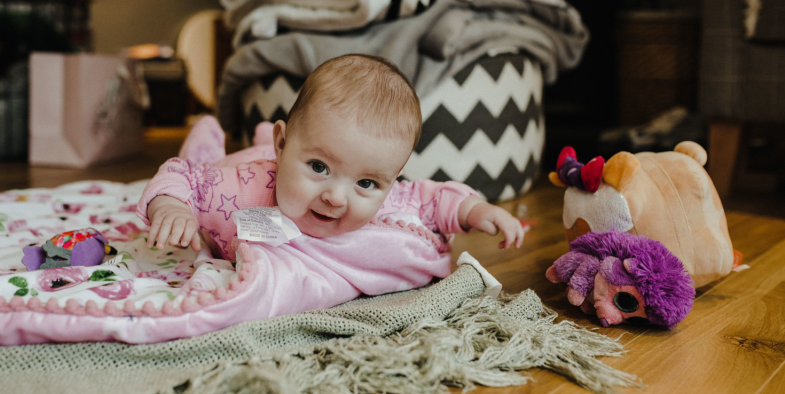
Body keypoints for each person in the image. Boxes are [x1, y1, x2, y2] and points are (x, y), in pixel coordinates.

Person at [136, 54, 524, 261]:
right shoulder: (241, 191)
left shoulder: (390, 197)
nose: (336, 197)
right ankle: (211, 140)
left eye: (366, 183)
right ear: (283, 143)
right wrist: (172, 208)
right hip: (248, 166)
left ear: (392, 178)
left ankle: (270, 144)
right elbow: (182, 176)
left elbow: (434, 198)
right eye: (319, 167)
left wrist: (475, 211)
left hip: (278, 152)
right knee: (206, 162)